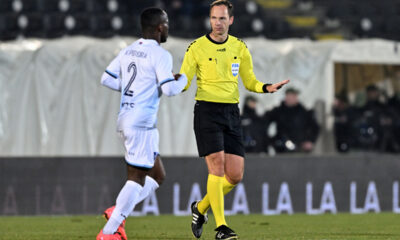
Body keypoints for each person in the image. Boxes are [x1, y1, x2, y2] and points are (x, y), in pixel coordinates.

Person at [179, 1, 289, 239]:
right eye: (214, 18)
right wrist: (174, 82)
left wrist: (267, 87)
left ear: (231, 20)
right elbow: (185, 81)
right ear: (210, 20)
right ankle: (221, 227)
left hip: (231, 112)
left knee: (235, 176)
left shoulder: (239, 47)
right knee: (216, 167)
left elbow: (249, 81)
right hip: (207, 111)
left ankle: (200, 208)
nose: (217, 23)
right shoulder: (196, 47)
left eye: (222, 19)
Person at [96, 7, 187, 240]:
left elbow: (106, 78)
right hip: (142, 123)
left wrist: (135, 88)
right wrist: (185, 78)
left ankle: (116, 212)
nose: (168, 27)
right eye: (166, 23)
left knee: (157, 176)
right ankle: (109, 232)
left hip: (126, 118)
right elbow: (169, 90)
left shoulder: (129, 51)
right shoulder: (160, 55)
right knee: (136, 178)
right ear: (159, 27)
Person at [265, 88, 319, 153]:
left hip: (300, 147)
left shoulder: (304, 112)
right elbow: (264, 122)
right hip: (282, 147)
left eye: (293, 96)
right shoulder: (278, 111)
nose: (290, 98)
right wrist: (271, 141)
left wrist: (310, 140)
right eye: (289, 96)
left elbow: (315, 127)